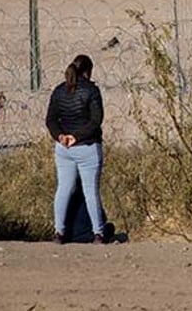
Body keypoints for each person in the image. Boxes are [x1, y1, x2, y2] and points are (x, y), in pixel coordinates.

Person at [45, 55, 106, 244]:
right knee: (90, 191)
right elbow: (96, 120)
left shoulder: (59, 91)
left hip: (63, 149)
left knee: (63, 189)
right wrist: (77, 136)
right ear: (87, 71)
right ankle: (98, 233)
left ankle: (59, 232)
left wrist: (61, 136)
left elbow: (51, 120)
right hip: (86, 147)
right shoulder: (91, 91)